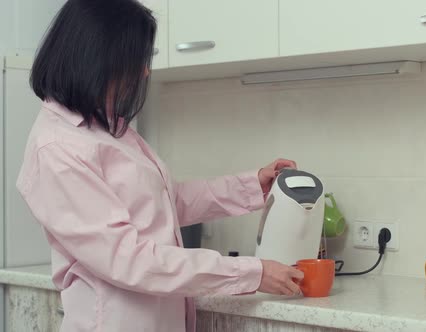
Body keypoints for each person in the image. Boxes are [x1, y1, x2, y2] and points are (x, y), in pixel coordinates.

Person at [16, 0, 303, 331]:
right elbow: (130, 259)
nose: (145, 71)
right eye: (137, 58)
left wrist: (252, 184)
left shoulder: (108, 129)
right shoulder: (57, 148)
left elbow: (165, 204)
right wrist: (252, 272)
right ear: (98, 55)